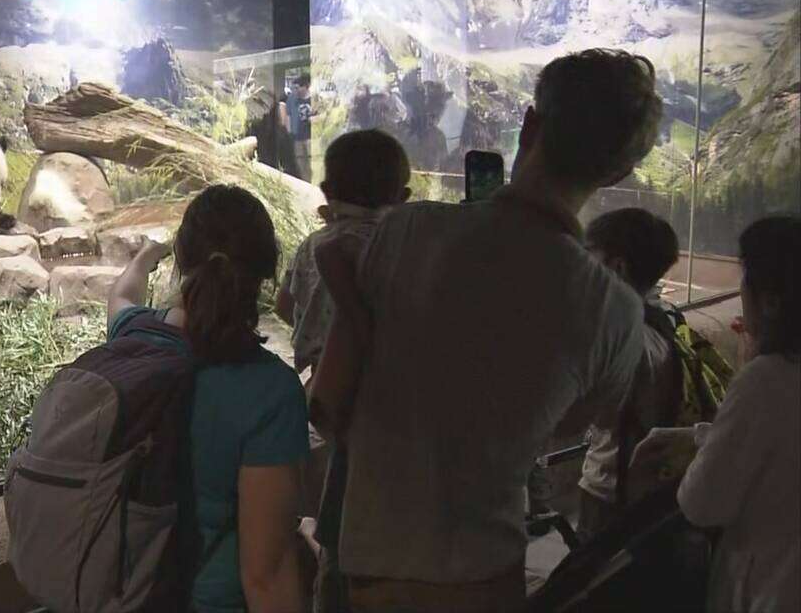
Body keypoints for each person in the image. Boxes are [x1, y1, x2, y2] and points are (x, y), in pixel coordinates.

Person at [311, 48, 664, 613]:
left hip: (370, 571)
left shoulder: (405, 232)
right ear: (619, 172)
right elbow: (570, 423)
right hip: (485, 577)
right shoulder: (616, 311)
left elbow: (327, 403)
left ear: (529, 125)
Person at [107, 185, 309, 613]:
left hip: (128, 594)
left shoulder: (136, 338)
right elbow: (265, 576)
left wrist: (146, 254)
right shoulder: (270, 391)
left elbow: (121, 296)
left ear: (182, 259)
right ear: (266, 273)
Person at [276, 128, 411, 613]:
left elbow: (284, 304)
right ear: (404, 197)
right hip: (385, 409)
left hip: (321, 400)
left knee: (331, 524)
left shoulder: (315, 245)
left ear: (327, 191)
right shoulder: (403, 251)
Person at [635, 216, 800, 613]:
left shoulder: (768, 379)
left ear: (771, 300)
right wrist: (701, 435)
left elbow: (702, 504)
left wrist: (751, 366)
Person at [576, 208, 682, 541]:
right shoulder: (661, 322)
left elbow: (584, 417)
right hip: (650, 486)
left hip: (611, 491)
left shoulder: (624, 341)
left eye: (589, 258)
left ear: (616, 267)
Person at [284, 73, 314, 182]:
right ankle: (307, 184)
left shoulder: (315, 99)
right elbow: (288, 114)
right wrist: (289, 130)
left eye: (299, 87)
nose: (296, 90)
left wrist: (316, 119)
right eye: (295, 88)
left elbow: (325, 114)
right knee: (300, 163)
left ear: (306, 86)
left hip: (311, 137)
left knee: (312, 162)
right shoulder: (292, 99)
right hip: (297, 137)